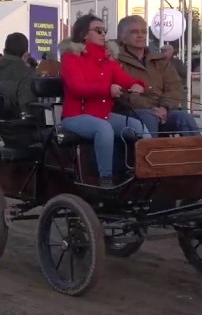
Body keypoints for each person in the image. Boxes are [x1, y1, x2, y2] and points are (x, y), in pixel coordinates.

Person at [58, 15, 149, 188]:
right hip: (76, 116)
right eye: (98, 31)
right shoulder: (71, 58)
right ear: (85, 34)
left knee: (138, 127)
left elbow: (124, 79)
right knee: (104, 129)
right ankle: (105, 179)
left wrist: (137, 84)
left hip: (102, 115)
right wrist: (107, 89)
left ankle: (148, 171)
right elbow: (77, 88)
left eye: (105, 31)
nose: (103, 34)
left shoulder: (108, 60)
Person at [111, 15, 199, 136]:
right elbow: (122, 95)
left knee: (184, 118)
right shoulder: (114, 61)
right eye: (134, 32)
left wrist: (164, 108)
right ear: (123, 38)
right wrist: (152, 108)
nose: (140, 35)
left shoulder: (160, 60)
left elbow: (174, 88)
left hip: (162, 110)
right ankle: (152, 155)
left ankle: (199, 153)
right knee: (148, 117)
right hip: (131, 112)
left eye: (143, 31)